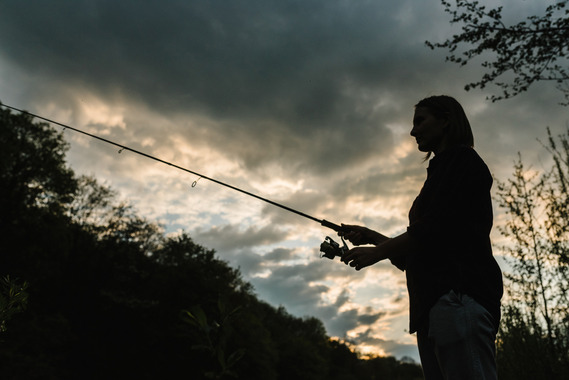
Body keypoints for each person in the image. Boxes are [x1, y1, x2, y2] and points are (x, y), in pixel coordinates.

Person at [339, 95, 503, 380]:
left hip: (458, 299)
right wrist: (372, 238)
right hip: (435, 309)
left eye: (420, 121)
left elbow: (434, 228)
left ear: (446, 120)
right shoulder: (439, 174)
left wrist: (377, 253)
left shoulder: (462, 161)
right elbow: (421, 249)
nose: (413, 131)